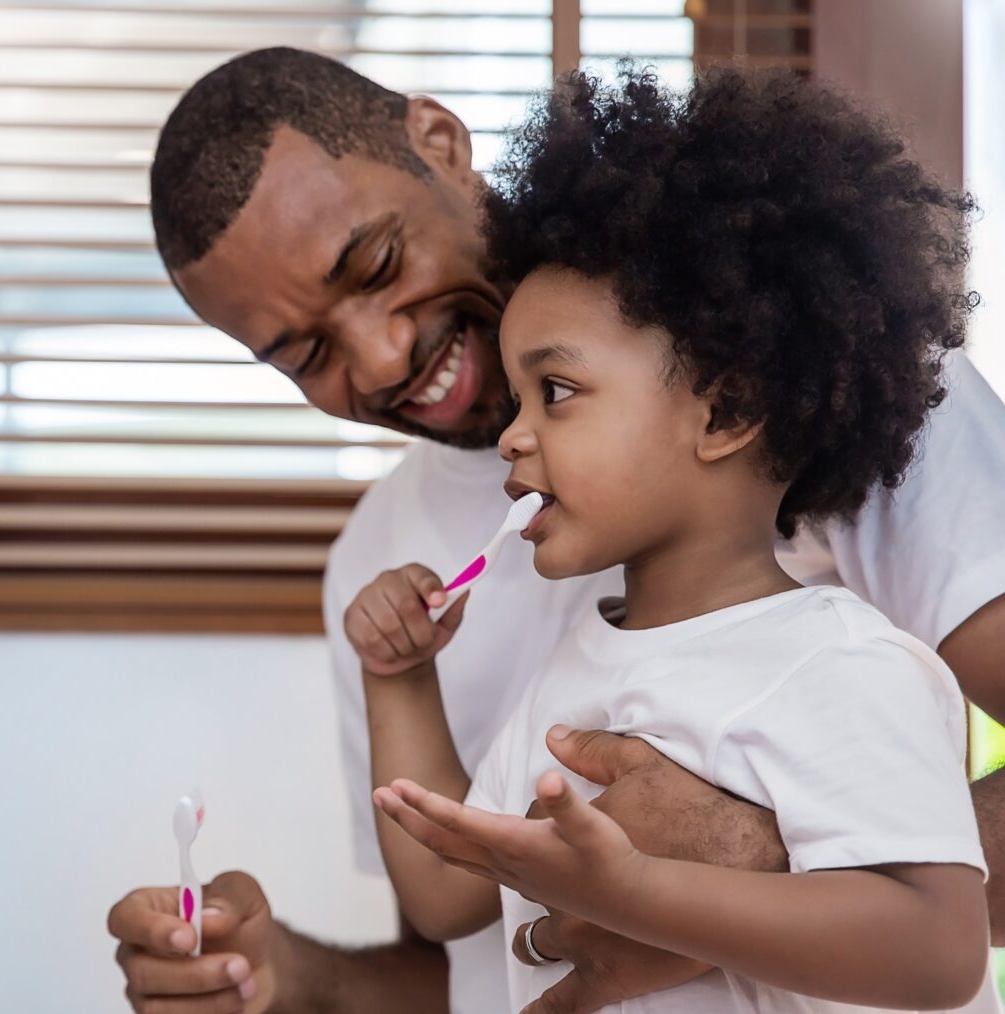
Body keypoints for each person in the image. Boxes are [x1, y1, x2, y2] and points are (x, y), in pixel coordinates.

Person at [107, 47, 1005, 1014]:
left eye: (375, 264)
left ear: (441, 145)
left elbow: (931, 936)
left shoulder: (823, 391)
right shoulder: (404, 578)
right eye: (307, 355)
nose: (378, 359)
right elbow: (470, 925)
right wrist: (280, 978)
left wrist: (727, 869)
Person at [350, 65, 988, 1012]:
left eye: (556, 393)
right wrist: (397, 678)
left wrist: (644, 894)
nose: (511, 436)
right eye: (517, 401)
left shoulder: (843, 667)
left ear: (724, 409)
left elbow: (939, 951)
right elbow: (445, 890)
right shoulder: (569, 677)